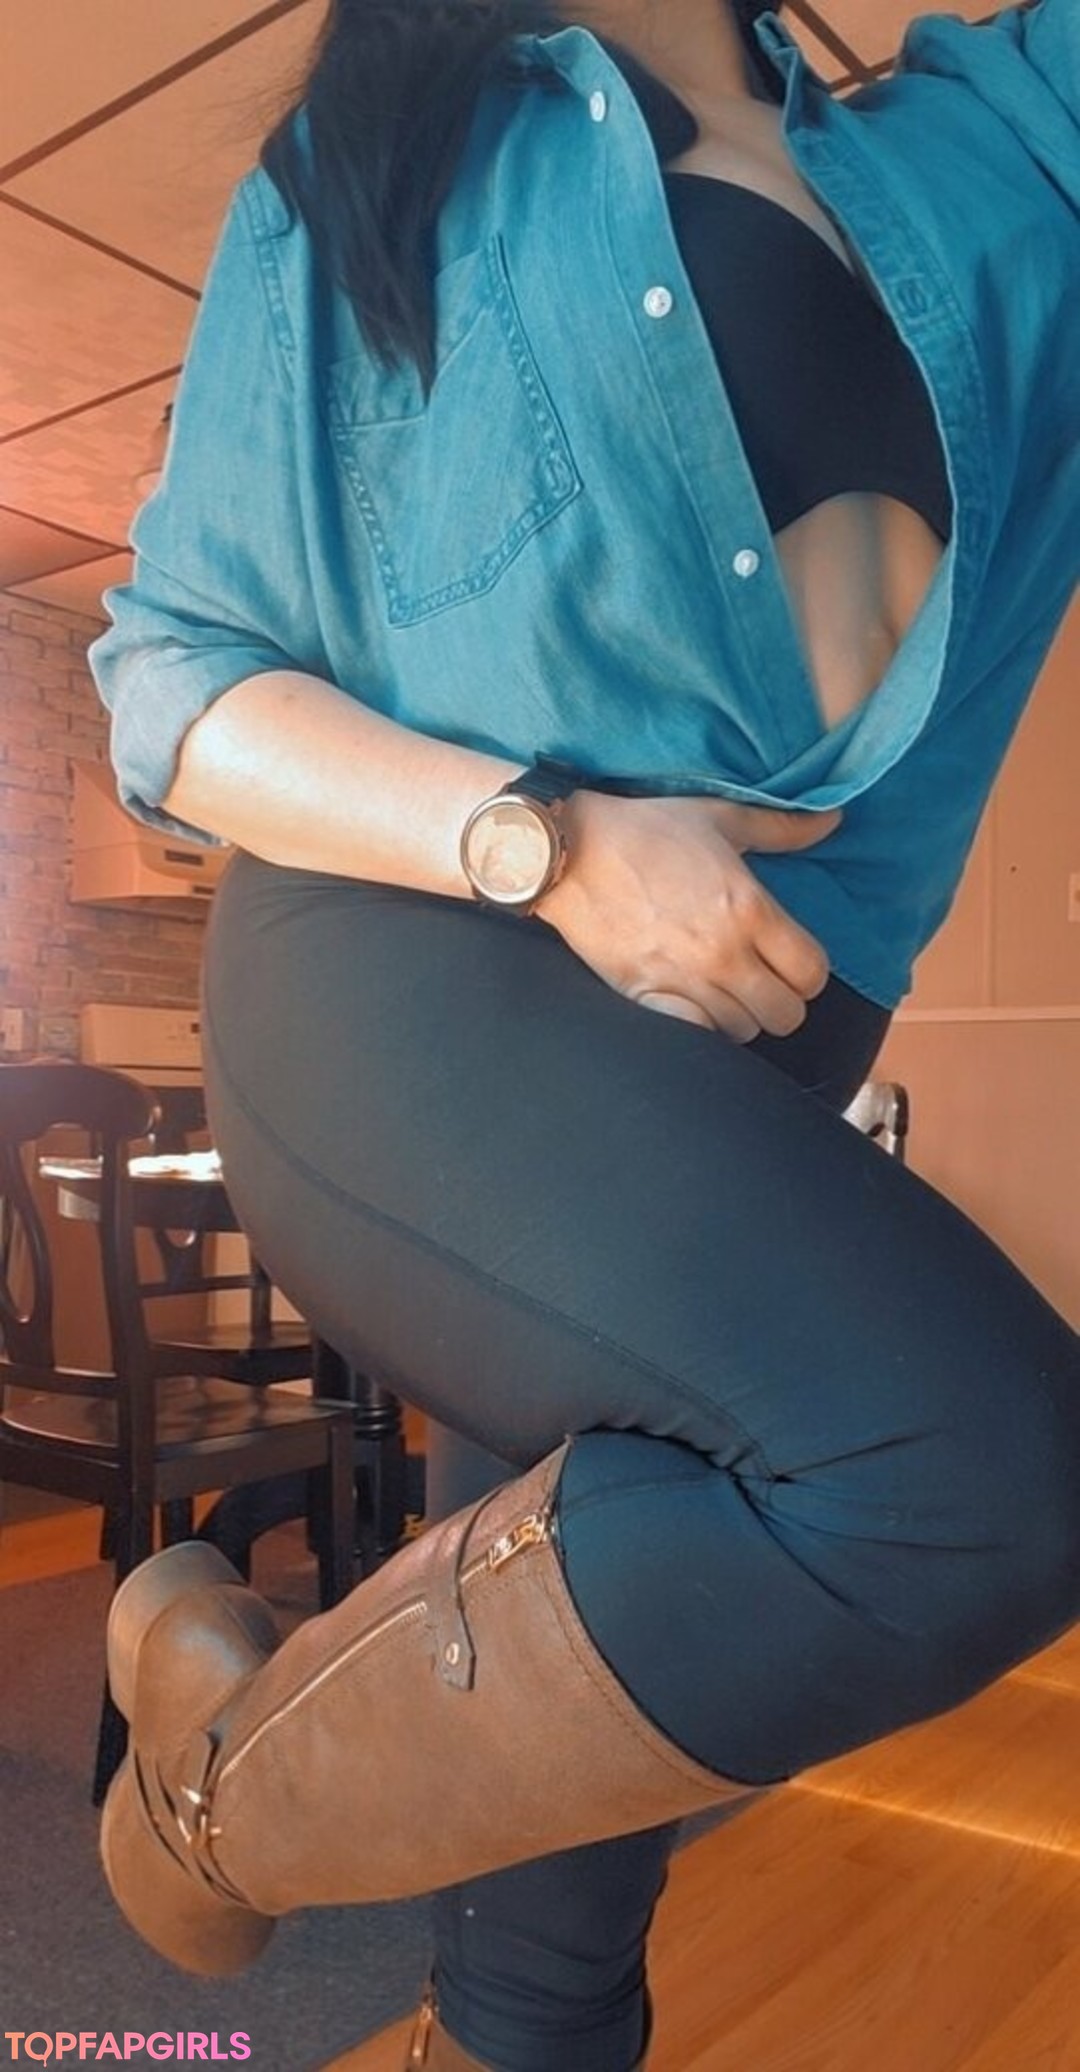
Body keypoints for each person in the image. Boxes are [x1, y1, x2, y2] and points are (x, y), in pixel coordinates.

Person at [89, 1, 1080, 2066]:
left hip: (743, 1049)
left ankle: (321, 1844)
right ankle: (216, 1803)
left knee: (552, 1933)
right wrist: (550, 843)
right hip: (415, 982)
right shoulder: (376, 166)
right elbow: (175, 680)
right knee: (982, 1479)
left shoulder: (995, 137)